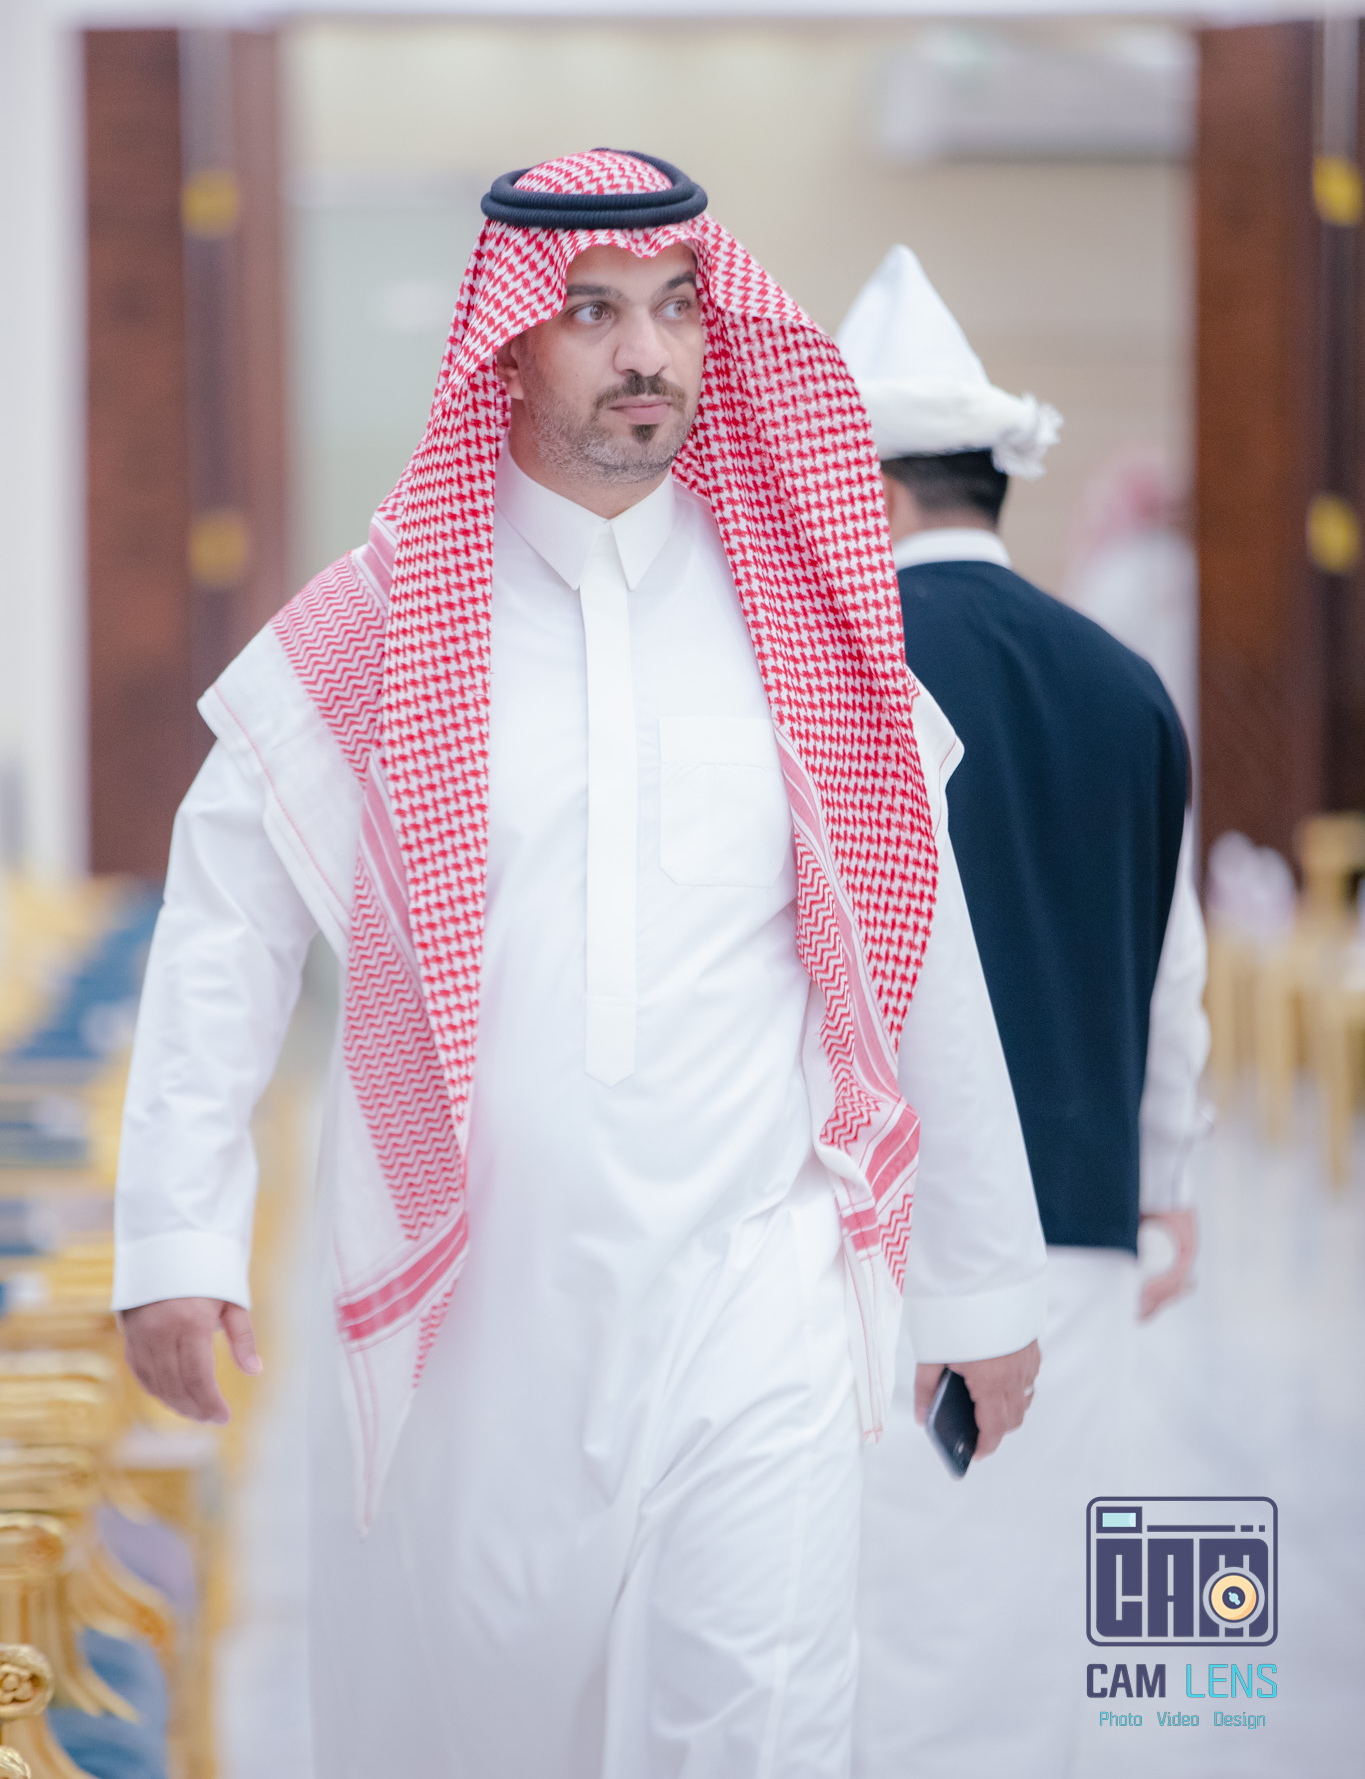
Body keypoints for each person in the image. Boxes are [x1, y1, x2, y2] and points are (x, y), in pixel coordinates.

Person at [113, 156, 1046, 1779]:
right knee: (481, 1734)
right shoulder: (385, 621)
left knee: (754, 1727)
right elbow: (224, 925)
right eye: (595, 314)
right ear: (506, 345)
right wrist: (177, 1234)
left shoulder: (805, 626)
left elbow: (922, 957)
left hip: (755, 1289)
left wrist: (978, 1281)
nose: (647, 353)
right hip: (482, 1319)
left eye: (676, 311)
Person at [838, 245, 1211, 1779]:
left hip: (885, 1249)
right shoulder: (1127, 688)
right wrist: (1165, 1184)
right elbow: (1171, 972)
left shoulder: (835, 681)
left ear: (860, 489)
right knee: (1042, 1623)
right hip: (1086, 1237)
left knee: (882, 1635)